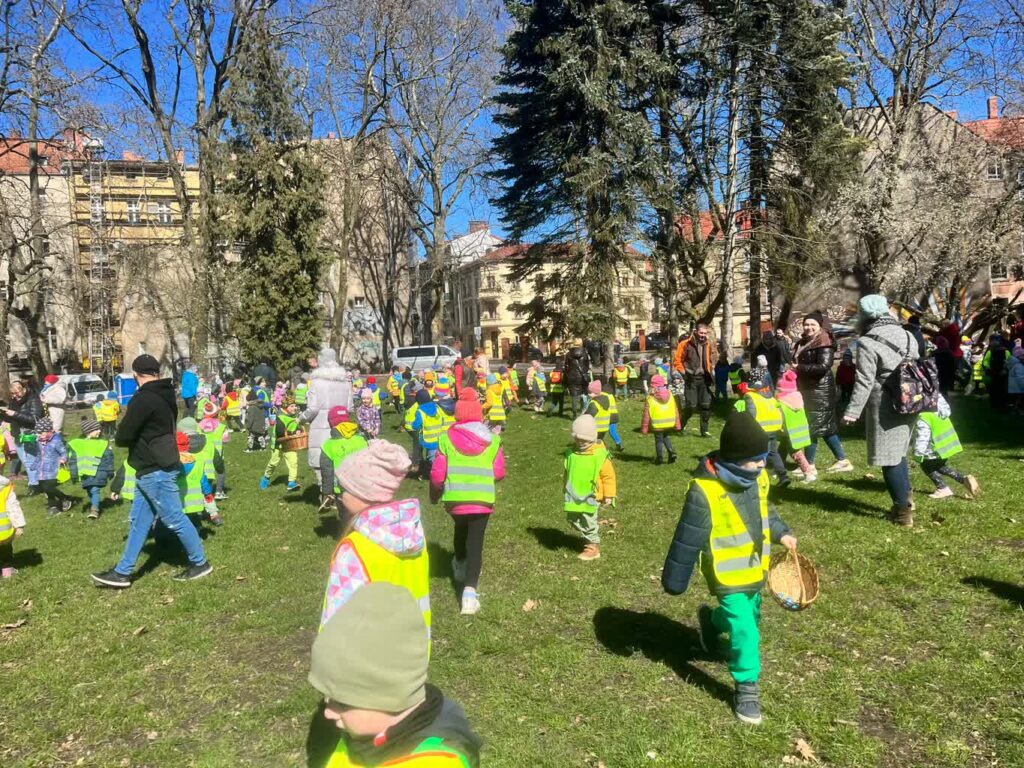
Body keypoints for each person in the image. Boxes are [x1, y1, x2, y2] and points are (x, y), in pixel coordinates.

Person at [661, 411, 797, 725]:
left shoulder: (758, 478)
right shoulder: (705, 490)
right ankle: (747, 687)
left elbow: (765, 513)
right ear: (735, 458)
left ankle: (711, 621)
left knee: (751, 617)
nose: (763, 464)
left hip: (755, 569)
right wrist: (675, 579)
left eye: (765, 457)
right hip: (725, 573)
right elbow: (687, 536)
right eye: (756, 459)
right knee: (746, 629)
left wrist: (782, 532)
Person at [309, 583, 481, 768]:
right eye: (327, 698)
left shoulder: (436, 762)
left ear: (387, 698)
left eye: (342, 703)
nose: (327, 712)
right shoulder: (365, 734)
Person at [92, 354, 212, 587]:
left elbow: (125, 433)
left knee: (174, 517)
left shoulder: (144, 398)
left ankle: (200, 562)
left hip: (153, 466)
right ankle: (122, 572)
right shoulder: (165, 393)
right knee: (140, 521)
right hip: (158, 462)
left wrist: (123, 437)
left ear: (137, 375)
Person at [318, 440, 428, 631]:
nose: (340, 495)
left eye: (344, 489)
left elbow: (337, 621)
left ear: (362, 493)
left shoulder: (355, 549)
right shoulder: (413, 536)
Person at [842, 295, 919, 526]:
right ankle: (907, 501)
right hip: (911, 399)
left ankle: (902, 512)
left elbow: (864, 381)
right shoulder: (908, 335)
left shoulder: (867, 341)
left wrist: (852, 411)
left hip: (885, 403)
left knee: (888, 457)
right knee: (900, 453)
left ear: (864, 315)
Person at [431, 389, 506, 615]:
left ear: (457, 414)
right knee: (476, 542)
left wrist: (434, 495)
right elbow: (499, 472)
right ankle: (469, 594)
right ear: (479, 414)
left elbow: (437, 474)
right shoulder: (493, 440)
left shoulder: (445, 439)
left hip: (455, 499)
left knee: (460, 528)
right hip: (482, 499)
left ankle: (460, 564)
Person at [793, 310, 852, 474]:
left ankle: (809, 465)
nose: (808, 327)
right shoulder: (806, 341)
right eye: (806, 324)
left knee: (813, 427)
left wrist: (799, 368)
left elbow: (824, 367)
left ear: (820, 326)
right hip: (809, 389)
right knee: (824, 428)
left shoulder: (823, 342)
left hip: (820, 390)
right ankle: (842, 460)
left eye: (812, 324)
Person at [563, 415, 616, 562]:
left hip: (591, 496)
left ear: (593, 437)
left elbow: (608, 477)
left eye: (584, 440)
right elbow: (567, 473)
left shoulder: (600, 455)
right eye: (577, 439)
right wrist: (564, 488)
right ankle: (588, 536)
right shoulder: (571, 453)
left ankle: (593, 547)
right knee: (572, 518)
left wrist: (609, 495)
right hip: (573, 495)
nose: (580, 443)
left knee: (589, 520)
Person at [914, 394, 980, 501]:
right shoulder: (940, 409)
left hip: (933, 449)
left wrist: (918, 453)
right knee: (940, 466)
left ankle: (943, 488)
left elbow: (922, 437)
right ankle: (963, 479)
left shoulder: (924, 417)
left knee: (927, 467)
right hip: (946, 446)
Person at [300, 346, 352, 472]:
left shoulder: (316, 383)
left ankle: (325, 491)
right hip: (341, 429)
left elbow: (312, 409)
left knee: (322, 468)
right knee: (339, 466)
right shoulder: (345, 382)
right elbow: (350, 408)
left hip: (320, 429)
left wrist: (300, 419)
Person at [734, 372, 788, 484]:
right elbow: (779, 412)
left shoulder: (750, 396)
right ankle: (783, 475)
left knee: (757, 454)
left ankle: (757, 477)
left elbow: (751, 414)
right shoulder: (770, 397)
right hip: (773, 428)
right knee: (773, 452)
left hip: (759, 429)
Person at [319, 406, 369, 521]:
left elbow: (327, 472)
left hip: (342, 489)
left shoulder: (328, 446)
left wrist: (326, 493)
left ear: (331, 424)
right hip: (363, 485)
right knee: (364, 513)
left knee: (346, 517)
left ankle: (347, 535)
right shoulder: (361, 439)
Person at [1, 380, 43, 495]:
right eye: (12, 394)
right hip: (17, 434)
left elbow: (34, 419)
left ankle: (34, 485)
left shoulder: (33, 399)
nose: (15, 396)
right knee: (26, 461)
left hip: (30, 433)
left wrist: (14, 414)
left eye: (16, 393)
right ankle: (37, 482)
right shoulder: (14, 401)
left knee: (31, 460)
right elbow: (11, 418)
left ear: (23, 389)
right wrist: (4, 414)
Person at [673, 323, 715, 437]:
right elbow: (677, 361)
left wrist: (711, 371)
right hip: (690, 379)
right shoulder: (685, 344)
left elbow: (710, 360)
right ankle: (680, 427)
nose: (703, 335)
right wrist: (684, 373)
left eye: (705, 333)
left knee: (706, 405)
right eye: (701, 333)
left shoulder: (708, 344)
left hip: (704, 379)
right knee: (691, 406)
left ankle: (704, 430)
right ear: (696, 331)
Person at [67, 418, 115, 519]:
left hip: (99, 471)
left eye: (99, 429)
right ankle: (95, 504)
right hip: (85, 473)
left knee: (94, 489)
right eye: (96, 429)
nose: (99, 431)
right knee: (90, 489)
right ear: (88, 431)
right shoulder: (78, 445)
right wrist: (74, 474)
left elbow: (108, 458)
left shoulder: (102, 443)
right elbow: (73, 461)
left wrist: (110, 470)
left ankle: (94, 510)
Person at [775, 370, 817, 483]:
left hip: (787, 431)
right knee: (781, 450)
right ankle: (778, 470)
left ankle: (808, 474)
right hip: (798, 430)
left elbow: (778, 417)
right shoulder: (798, 397)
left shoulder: (780, 402)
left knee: (796, 454)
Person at [260, 398, 304, 492]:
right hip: (278, 445)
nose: (294, 408)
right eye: (291, 406)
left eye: (295, 406)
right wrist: (293, 432)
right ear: (285, 407)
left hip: (289, 445)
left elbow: (297, 427)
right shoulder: (280, 417)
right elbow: (280, 431)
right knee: (273, 463)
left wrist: (298, 429)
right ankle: (266, 478)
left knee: (293, 462)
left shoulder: (294, 417)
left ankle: (291, 482)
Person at [409, 387, 453, 476]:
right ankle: (444, 471)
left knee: (432, 459)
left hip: (429, 439)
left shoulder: (420, 411)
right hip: (440, 437)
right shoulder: (437, 407)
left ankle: (436, 474)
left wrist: (413, 425)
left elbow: (416, 424)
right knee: (441, 456)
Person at [35, 417, 73, 517]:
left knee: (49, 487)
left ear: (50, 431)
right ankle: (53, 507)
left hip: (53, 469)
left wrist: (63, 459)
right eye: (38, 433)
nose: (40, 435)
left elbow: (63, 452)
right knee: (45, 489)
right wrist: (35, 464)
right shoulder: (39, 441)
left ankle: (64, 497)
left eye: (42, 433)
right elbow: (39, 454)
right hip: (41, 469)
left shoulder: (56, 441)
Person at [641, 374, 680, 465]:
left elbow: (646, 415)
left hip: (657, 424)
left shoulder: (650, 397)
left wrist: (644, 429)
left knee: (658, 440)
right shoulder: (670, 394)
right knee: (666, 437)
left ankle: (660, 459)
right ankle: (671, 452)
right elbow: (675, 410)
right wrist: (678, 425)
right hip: (669, 422)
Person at [584, 380, 623, 451]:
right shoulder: (610, 396)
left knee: (607, 433)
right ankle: (619, 443)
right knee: (612, 431)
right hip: (614, 416)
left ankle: (603, 448)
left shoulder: (603, 396)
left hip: (609, 416)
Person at [0, 475, 26, 578]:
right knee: (6, 549)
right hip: (4, 530)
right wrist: (19, 525)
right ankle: (7, 569)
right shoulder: (5, 487)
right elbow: (13, 507)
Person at [982, 335, 1011, 411]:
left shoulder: (1006, 351)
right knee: (994, 389)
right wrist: (987, 367)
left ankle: (1002, 405)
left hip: (1003, 373)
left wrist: (1005, 369)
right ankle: (994, 405)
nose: (993, 342)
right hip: (993, 372)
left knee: (1002, 389)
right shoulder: (990, 352)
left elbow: (1009, 361)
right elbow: (985, 361)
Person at [565, 347, 590, 418]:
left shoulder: (568, 354)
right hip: (582, 377)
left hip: (572, 377)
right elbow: (587, 366)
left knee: (574, 396)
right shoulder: (585, 354)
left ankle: (574, 414)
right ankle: (584, 410)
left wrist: (569, 374)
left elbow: (566, 366)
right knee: (584, 393)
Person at [1008, 345, 1024, 413]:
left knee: (1015, 400)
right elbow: (1020, 377)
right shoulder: (1019, 365)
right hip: (1018, 387)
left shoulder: (1013, 363)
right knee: (1020, 399)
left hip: (1013, 386)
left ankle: (1014, 408)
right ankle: (1020, 410)